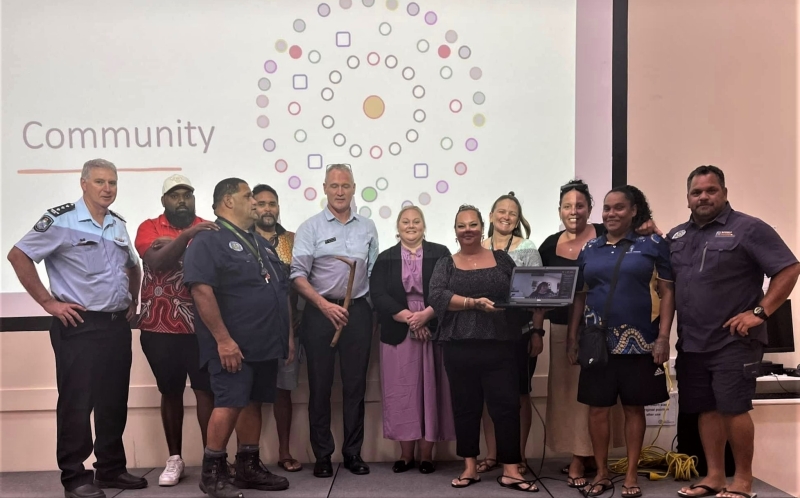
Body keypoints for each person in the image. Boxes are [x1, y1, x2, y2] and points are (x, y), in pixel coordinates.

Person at [7, 158, 146, 498]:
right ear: (83, 183)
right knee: (77, 402)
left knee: (114, 400)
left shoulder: (117, 224)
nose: (107, 188)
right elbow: (18, 255)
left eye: (112, 182)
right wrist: (48, 303)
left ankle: (110, 469)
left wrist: (132, 300)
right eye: (99, 181)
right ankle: (74, 477)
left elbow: (133, 266)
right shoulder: (61, 220)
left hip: (115, 325)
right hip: (79, 324)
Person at [669, 166, 799, 498]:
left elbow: (789, 267)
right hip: (693, 341)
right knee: (706, 408)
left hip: (733, 341)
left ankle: (742, 480)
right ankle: (714, 476)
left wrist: (760, 312)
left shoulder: (748, 228)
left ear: (724, 193)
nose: (703, 197)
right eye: (696, 192)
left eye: (711, 190)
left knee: (733, 408)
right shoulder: (678, 236)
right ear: (687, 199)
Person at [183, 178, 290, 498]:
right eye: (248, 197)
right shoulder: (208, 241)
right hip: (232, 345)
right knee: (229, 402)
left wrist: (284, 338)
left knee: (252, 402)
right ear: (228, 201)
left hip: (263, 344)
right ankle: (212, 472)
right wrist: (224, 340)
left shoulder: (257, 241)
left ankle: (248, 466)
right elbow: (201, 290)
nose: (255, 202)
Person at [567, 185, 674, 497]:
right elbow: (579, 296)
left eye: (619, 208)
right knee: (597, 410)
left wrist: (664, 337)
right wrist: (572, 338)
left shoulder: (653, 244)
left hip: (640, 343)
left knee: (633, 409)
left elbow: (668, 292)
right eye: (607, 208)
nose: (611, 214)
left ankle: (630, 475)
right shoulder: (590, 249)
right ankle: (601, 472)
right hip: (596, 342)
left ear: (634, 211)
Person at [429, 204, 537, 492]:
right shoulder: (446, 263)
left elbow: (520, 292)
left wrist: (541, 301)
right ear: (455, 231)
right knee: (466, 409)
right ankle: (469, 468)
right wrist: (471, 303)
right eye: (462, 225)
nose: (468, 230)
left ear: (482, 226)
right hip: (458, 346)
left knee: (506, 407)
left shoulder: (501, 259)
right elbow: (437, 296)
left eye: (473, 224)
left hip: (501, 344)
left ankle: (512, 470)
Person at [534, 180, 625, 487]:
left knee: (596, 398)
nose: (574, 211)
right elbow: (539, 294)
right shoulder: (548, 245)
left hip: (602, 329)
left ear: (590, 208)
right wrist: (536, 330)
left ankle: (584, 458)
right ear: (560, 210)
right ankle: (580, 454)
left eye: (580, 205)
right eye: (567, 206)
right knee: (569, 398)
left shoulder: (605, 235)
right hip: (562, 330)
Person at [290, 164, 379, 477]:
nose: (340, 192)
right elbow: (297, 275)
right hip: (319, 314)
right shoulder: (310, 228)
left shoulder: (367, 227)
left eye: (345, 186)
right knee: (320, 386)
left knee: (355, 387)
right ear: (324, 189)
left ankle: (353, 454)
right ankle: (323, 456)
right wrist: (323, 306)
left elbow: (373, 274)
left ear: (354, 188)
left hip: (357, 314)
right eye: (334, 186)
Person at [133, 174, 218, 487]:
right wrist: (188, 238)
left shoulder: (211, 226)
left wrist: (180, 240)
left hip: (202, 326)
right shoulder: (148, 227)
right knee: (169, 392)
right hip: (160, 329)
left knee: (206, 391)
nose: (182, 200)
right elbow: (157, 262)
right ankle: (175, 459)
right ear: (164, 200)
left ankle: (213, 459)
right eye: (175, 195)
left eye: (187, 194)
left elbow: (215, 265)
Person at [370, 205, 456, 475]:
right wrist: (409, 318)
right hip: (398, 332)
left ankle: (427, 456)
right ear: (397, 227)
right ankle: (406, 455)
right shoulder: (384, 258)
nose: (411, 225)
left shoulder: (441, 253)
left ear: (424, 225)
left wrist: (426, 316)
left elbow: (448, 288)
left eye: (416, 221)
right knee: (403, 394)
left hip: (433, 329)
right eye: (405, 221)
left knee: (431, 392)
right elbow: (378, 294)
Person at [477, 192, 544, 477]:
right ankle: (493, 454)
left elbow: (540, 295)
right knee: (488, 396)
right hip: (484, 334)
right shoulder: (478, 247)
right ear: (490, 216)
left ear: (518, 220)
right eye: (501, 211)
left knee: (520, 395)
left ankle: (518, 455)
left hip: (519, 332)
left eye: (512, 213)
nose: (506, 216)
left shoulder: (527, 247)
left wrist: (538, 332)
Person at [252, 183, 302, 473]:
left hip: (289, 328)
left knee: (284, 392)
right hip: (253, 329)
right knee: (252, 394)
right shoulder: (244, 240)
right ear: (251, 206)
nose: (267, 208)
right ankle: (251, 456)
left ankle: (284, 452)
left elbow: (301, 281)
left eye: (272, 203)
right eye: (261, 203)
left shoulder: (293, 240)